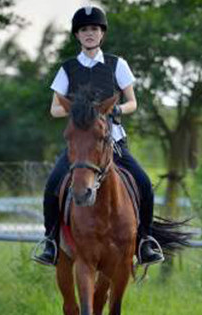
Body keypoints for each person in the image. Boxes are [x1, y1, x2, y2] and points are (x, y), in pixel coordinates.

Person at [32, 5, 164, 266]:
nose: (89, 33)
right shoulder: (67, 68)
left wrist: (116, 109)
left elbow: (133, 103)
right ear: (77, 36)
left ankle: (145, 241)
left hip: (112, 141)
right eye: (84, 30)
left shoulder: (117, 64)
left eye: (94, 29)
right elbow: (55, 109)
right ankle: (50, 241)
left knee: (144, 183)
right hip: (81, 146)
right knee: (52, 186)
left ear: (101, 34)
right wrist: (77, 110)